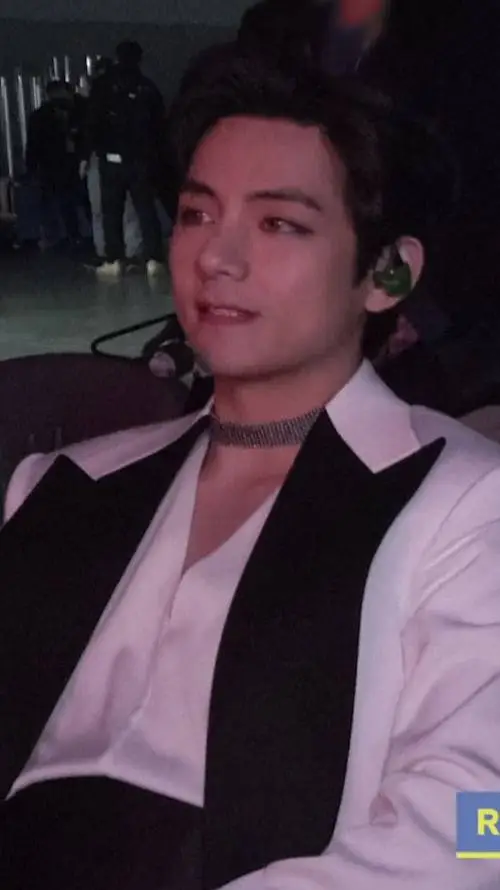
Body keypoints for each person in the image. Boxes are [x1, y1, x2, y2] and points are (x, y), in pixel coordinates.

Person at [2, 52, 500, 890]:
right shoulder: (60, 482)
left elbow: (483, 823)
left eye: (279, 224)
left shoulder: (464, 505)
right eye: (198, 213)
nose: (216, 258)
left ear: (388, 273)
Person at [86, 40, 166, 278]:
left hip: (111, 158)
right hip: (141, 159)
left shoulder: (104, 86)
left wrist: (93, 149)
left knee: (111, 212)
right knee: (145, 209)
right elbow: (159, 126)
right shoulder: (148, 87)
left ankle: (114, 259)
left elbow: (92, 121)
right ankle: (153, 258)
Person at [82, 56, 143, 266]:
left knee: (104, 208)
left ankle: (109, 252)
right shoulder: (129, 94)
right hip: (121, 155)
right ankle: (129, 250)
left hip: (102, 156)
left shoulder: (97, 99)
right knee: (125, 208)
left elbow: (90, 130)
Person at [25, 79, 86, 248]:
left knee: (59, 202)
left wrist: (31, 167)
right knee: (67, 201)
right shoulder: (77, 113)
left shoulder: (40, 116)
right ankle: (71, 235)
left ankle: (62, 236)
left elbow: (33, 145)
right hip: (63, 164)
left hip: (56, 164)